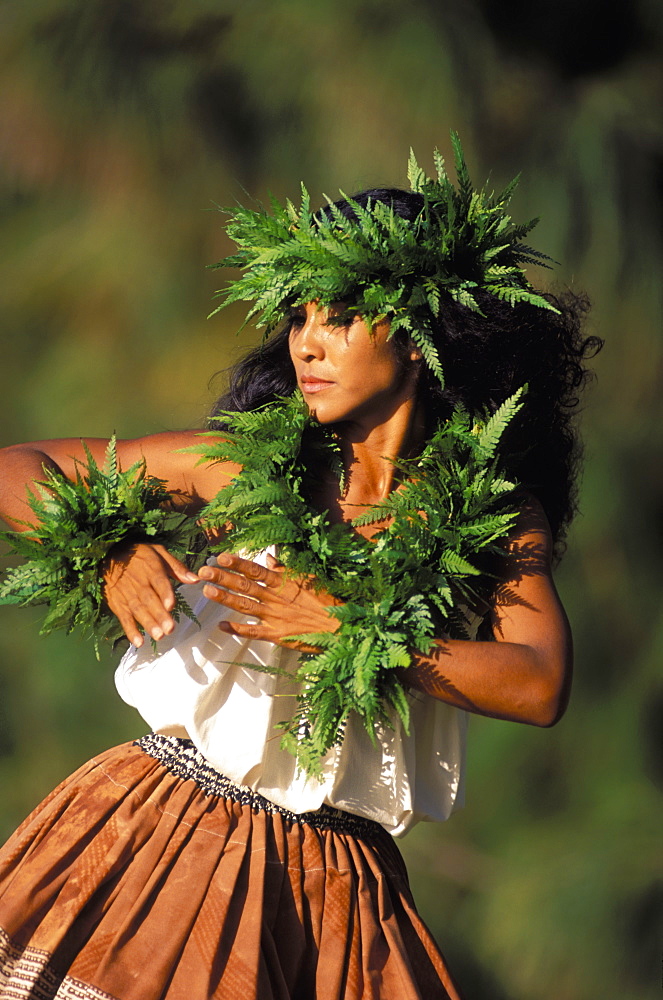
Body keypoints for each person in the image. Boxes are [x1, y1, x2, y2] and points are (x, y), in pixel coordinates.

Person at [0, 142, 601, 1000]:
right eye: (298, 318)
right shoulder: (244, 466)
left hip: (336, 887)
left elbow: (538, 683)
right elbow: (16, 465)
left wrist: (345, 631)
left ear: (420, 333)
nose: (307, 345)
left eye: (340, 317)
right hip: (163, 834)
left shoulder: (489, 517)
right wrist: (109, 550)